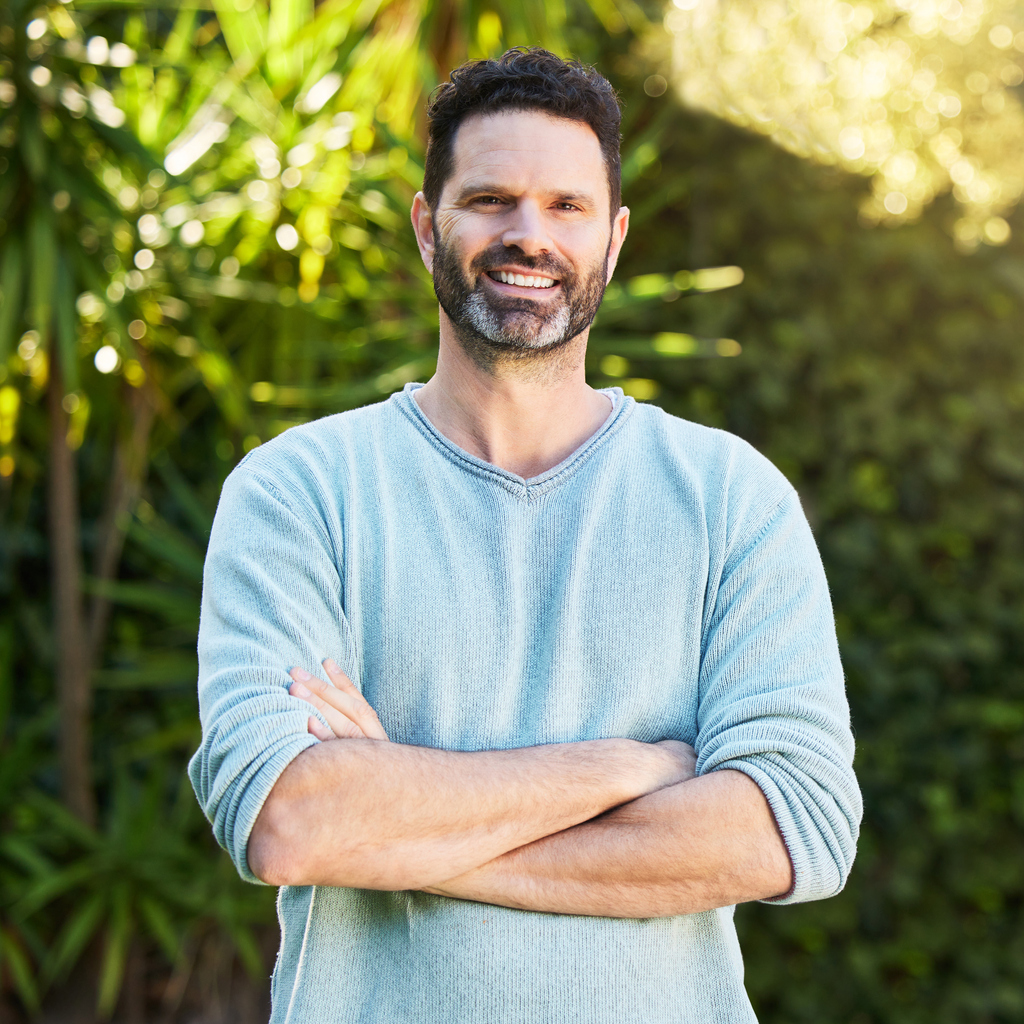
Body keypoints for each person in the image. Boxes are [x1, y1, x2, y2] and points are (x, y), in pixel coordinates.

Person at [189, 48, 861, 1024]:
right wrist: (629, 767)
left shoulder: (729, 501)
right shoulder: (299, 492)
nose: (526, 235)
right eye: (491, 199)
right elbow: (293, 821)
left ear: (614, 238)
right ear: (428, 228)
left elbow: (792, 829)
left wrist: (400, 822)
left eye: (565, 207)